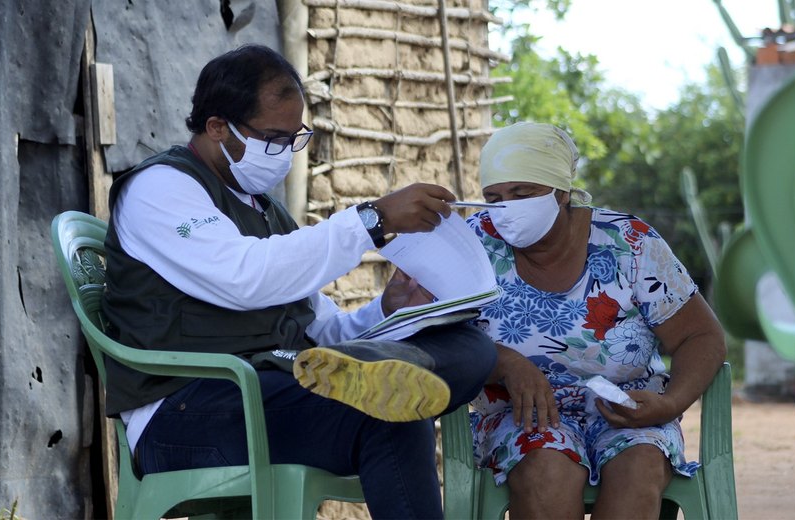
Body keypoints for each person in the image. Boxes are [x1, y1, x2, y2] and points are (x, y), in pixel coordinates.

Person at [101, 44, 497, 519]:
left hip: (272, 388)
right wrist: (371, 219)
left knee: (470, 348)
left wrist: (389, 312)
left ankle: (390, 360)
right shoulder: (161, 189)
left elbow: (319, 326)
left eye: (295, 138)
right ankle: (385, 370)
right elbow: (245, 277)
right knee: (390, 411)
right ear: (217, 127)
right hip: (185, 413)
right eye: (273, 137)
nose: (285, 152)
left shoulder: (266, 211)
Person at [465, 122, 727, 519]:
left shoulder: (628, 242)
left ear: (561, 191)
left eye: (522, 193)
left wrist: (668, 403)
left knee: (639, 464)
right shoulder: (472, 246)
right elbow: (432, 339)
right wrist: (503, 361)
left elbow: (701, 336)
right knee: (546, 467)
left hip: (630, 410)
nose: (507, 208)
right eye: (493, 197)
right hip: (517, 419)